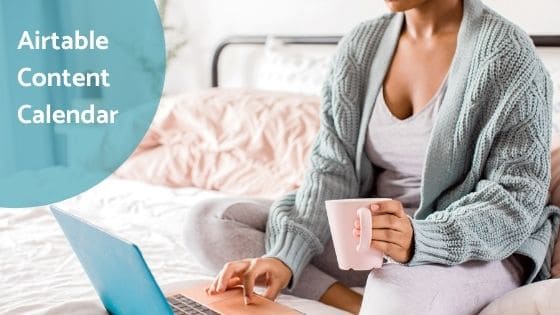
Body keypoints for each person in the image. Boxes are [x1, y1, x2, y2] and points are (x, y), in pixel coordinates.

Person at [184, 0, 558, 313]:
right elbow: (332, 167)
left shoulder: (508, 56)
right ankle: (353, 304)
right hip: (372, 242)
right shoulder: (361, 45)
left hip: (474, 249)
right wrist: (285, 255)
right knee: (210, 221)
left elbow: (515, 200)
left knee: (395, 291)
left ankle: (377, 297)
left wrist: (420, 238)